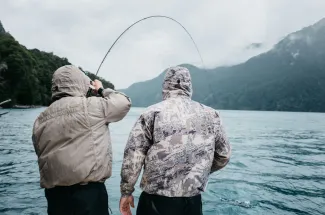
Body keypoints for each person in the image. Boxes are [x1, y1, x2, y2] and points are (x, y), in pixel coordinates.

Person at [119, 66, 231, 215]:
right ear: (189, 86)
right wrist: (196, 171)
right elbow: (224, 155)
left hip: (156, 200)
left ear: (165, 86)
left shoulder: (152, 113)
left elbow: (133, 156)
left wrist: (126, 192)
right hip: (193, 201)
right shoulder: (212, 115)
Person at [32, 65, 131, 215]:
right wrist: (101, 90)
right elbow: (123, 103)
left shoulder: (40, 120)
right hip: (88, 195)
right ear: (81, 83)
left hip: (54, 197)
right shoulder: (91, 106)